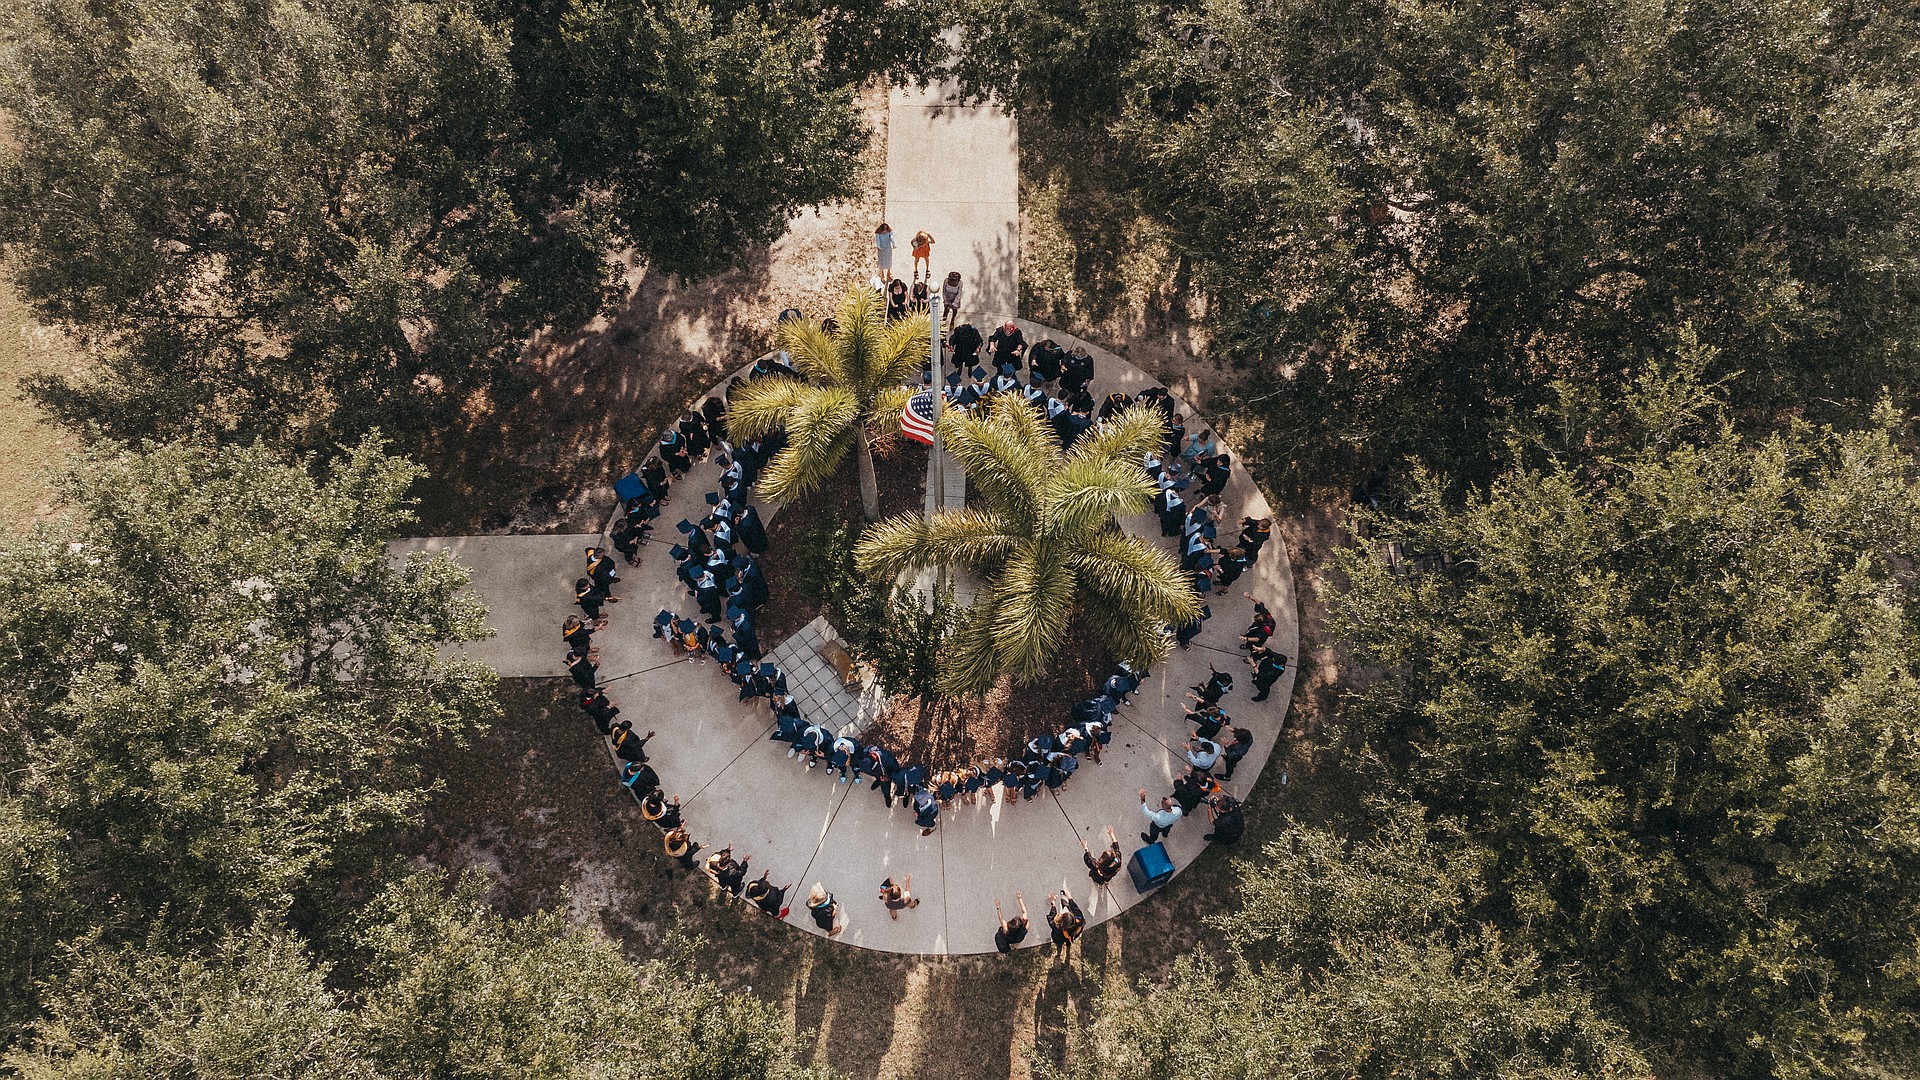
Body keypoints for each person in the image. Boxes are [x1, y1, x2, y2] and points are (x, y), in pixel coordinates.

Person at [1048, 888, 1085, 963]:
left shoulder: (1057, 927)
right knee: (1068, 941)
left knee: (1059, 942)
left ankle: (1059, 947)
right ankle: (1068, 944)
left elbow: (1051, 917)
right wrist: (1069, 897)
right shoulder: (1079, 919)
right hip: (1072, 935)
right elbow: (1075, 909)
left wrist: (1053, 903)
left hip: (1058, 938)